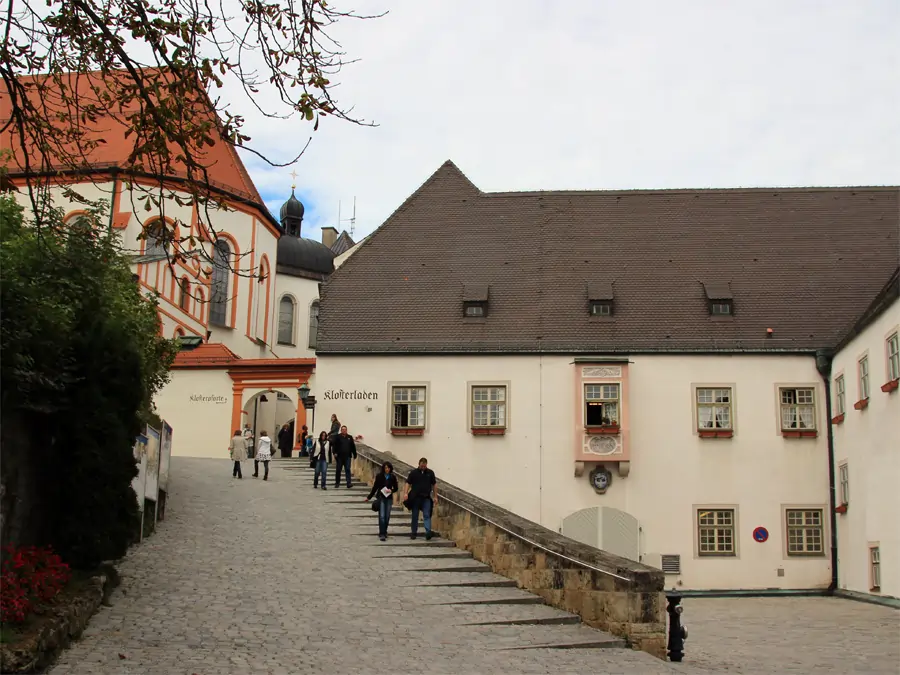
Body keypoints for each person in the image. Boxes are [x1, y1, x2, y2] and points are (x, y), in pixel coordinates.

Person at [404, 457, 437, 540]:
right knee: (415, 515)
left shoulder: (430, 473)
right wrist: (405, 493)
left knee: (427, 514)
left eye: (424, 466)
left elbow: (434, 485)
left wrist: (435, 496)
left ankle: (428, 532)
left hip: (426, 497)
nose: (423, 467)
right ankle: (413, 532)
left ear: (426, 465)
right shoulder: (413, 473)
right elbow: (408, 483)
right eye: (422, 466)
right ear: (419, 464)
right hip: (416, 498)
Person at [366, 462, 399, 541]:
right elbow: (375, 487)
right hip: (381, 497)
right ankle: (382, 533)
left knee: (387, 516)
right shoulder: (379, 476)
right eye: (385, 468)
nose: (387, 469)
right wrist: (369, 497)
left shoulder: (392, 477)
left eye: (388, 468)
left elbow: (396, 488)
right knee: (382, 516)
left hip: (389, 498)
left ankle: (385, 531)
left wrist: (391, 490)